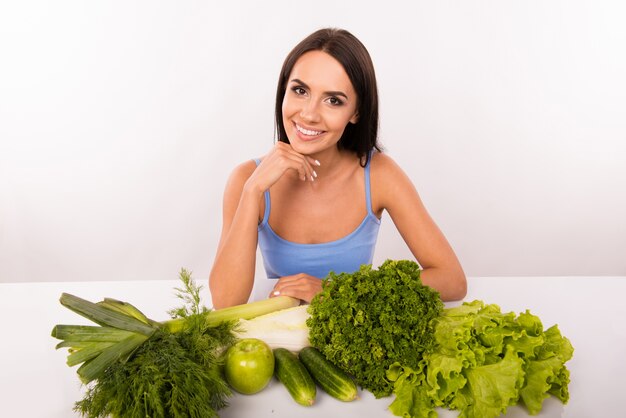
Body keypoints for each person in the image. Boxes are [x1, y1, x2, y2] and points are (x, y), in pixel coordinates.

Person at [209, 28, 466, 308]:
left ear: (356, 112)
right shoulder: (247, 180)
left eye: (333, 100)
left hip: (356, 335)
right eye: (300, 90)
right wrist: (253, 190)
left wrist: (336, 291)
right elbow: (226, 302)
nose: (309, 114)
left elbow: (452, 280)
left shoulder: (378, 174)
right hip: (285, 340)